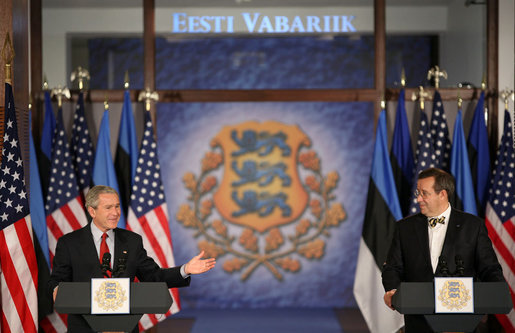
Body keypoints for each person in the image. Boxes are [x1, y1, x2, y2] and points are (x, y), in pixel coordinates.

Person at [48, 185, 216, 332]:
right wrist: (56, 289)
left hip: (124, 328)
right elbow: (58, 281)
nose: (115, 213)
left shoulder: (132, 241)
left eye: (117, 206)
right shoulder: (69, 243)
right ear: (92, 211)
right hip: (85, 328)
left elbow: (153, 276)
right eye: (108, 208)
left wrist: (185, 269)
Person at [382, 168, 504, 333]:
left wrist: (496, 292)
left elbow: (489, 268)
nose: (418, 198)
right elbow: (392, 268)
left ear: (443, 194)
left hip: (462, 321)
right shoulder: (404, 228)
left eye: (424, 193)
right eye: (418, 192)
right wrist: (394, 291)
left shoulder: (473, 226)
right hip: (419, 321)